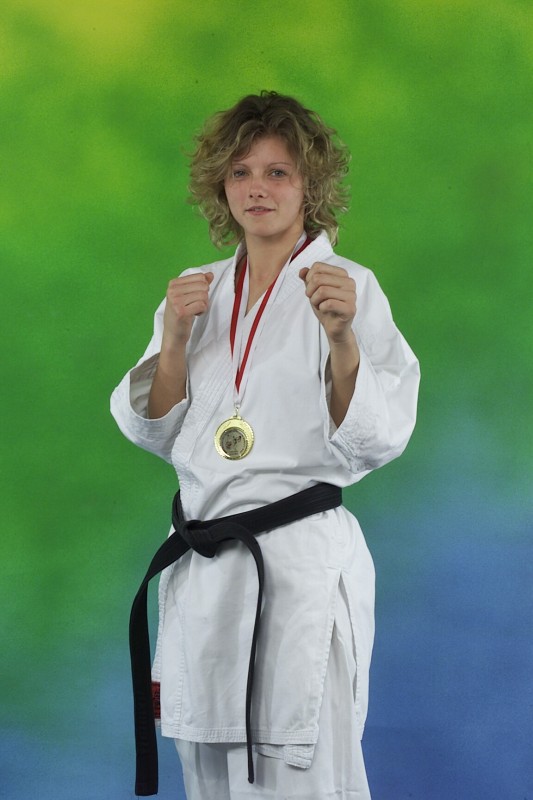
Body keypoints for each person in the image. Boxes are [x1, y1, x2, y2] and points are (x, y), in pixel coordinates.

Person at [111, 91, 420, 800]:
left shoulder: (350, 289)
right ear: (220, 185)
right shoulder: (197, 292)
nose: (258, 188)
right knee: (206, 767)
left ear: (310, 185)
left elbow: (374, 437)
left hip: (294, 565)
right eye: (241, 172)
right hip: (205, 565)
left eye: (278, 172)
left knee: (300, 767)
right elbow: (154, 428)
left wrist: (341, 338)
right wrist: (174, 342)